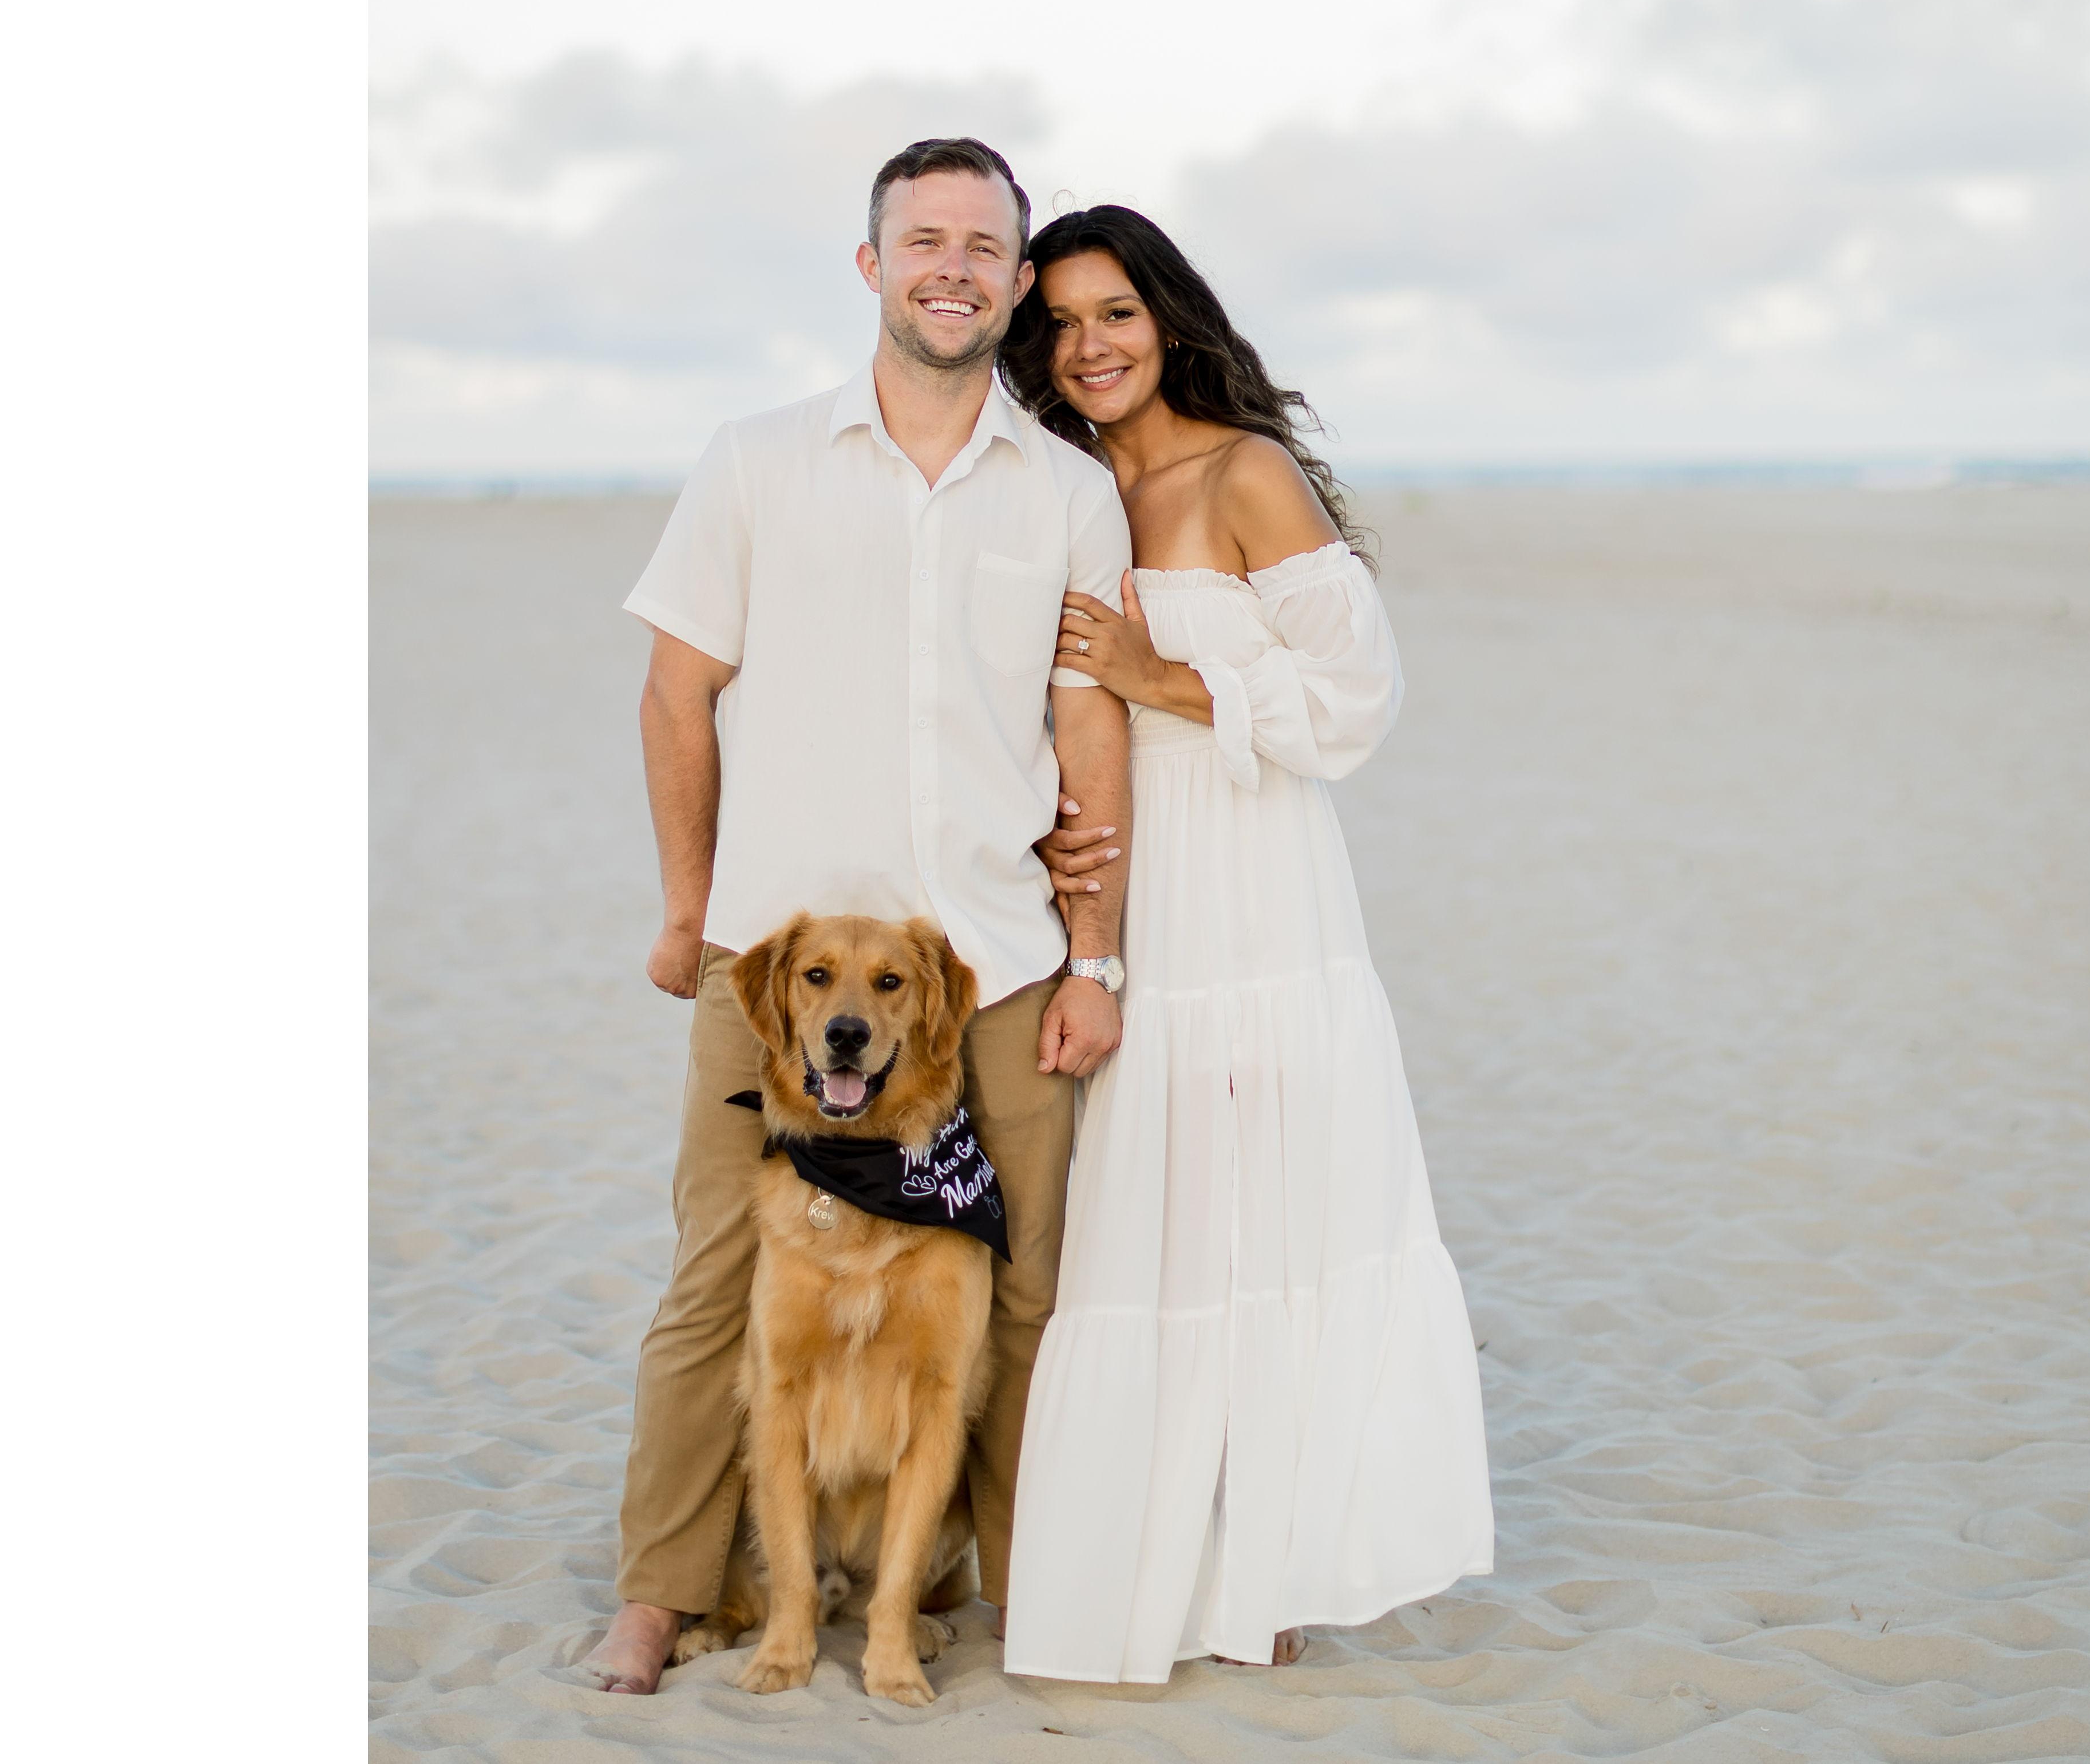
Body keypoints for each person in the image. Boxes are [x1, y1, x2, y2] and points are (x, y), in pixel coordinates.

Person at [585, 138, 1135, 1696]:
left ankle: (1030, 1590)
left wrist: (1097, 957)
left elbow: (1087, 727)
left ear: (1015, 282)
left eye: (984, 245)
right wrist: (690, 911)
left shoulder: (1068, 491)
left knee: (1022, 1290)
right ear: (872, 266)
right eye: (925, 240)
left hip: (994, 965)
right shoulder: (756, 460)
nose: (954, 267)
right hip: (780, 966)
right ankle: (661, 1593)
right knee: (715, 1276)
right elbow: (678, 692)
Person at [996, 204, 1493, 1683]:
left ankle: (1268, 1568)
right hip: (1119, 885)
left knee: (1266, 1208)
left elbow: (1355, 701)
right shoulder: (1062, 486)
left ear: (1169, 318)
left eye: (1116, 314)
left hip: (1258, 882)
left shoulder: (1244, 473)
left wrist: (1161, 672)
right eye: (1061, 323)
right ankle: (1151, 1564)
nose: (1090, 346)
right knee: (1148, 1213)